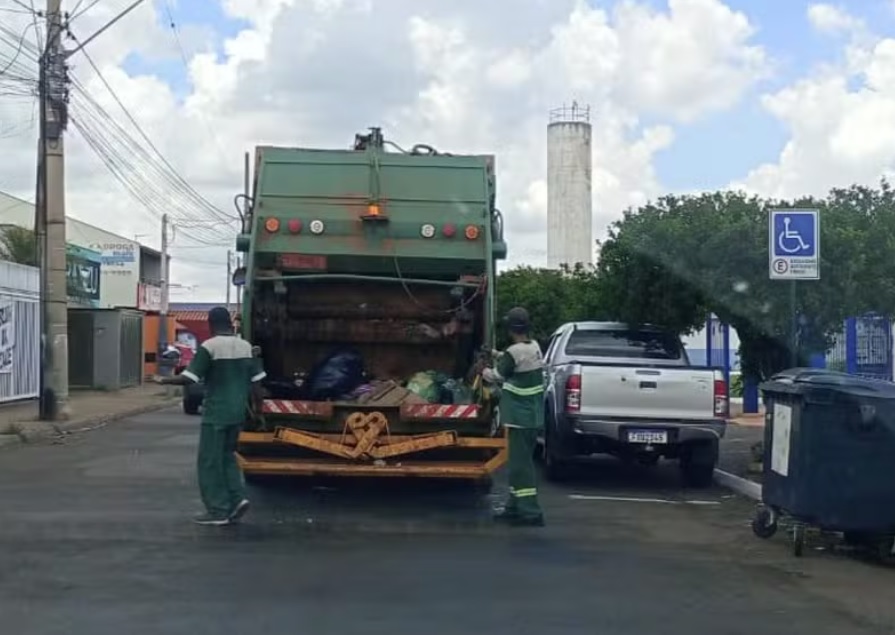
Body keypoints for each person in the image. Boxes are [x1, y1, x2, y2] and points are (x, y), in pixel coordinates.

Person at [155, 307, 266, 526]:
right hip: (237, 414)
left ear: (210, 324)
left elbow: (190, 378)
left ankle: (218, 510)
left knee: (209, 461)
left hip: (216, 414)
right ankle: (237, 498)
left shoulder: (210, 347)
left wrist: (163, 380)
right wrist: (259, 412)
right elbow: (257, 384)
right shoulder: (246, 347)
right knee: (228, 456)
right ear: (231, 323)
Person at [482, 306, 545, 527]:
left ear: (510, 329)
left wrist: (483, 370)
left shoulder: (514, 352)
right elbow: (517, 360)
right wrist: (495, 353)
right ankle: (514, 507)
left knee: (520, 467)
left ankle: (530, 512)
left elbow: (497, 375)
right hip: (532, 417)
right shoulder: (534, 346)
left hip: (520, 418)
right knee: (519, 463)